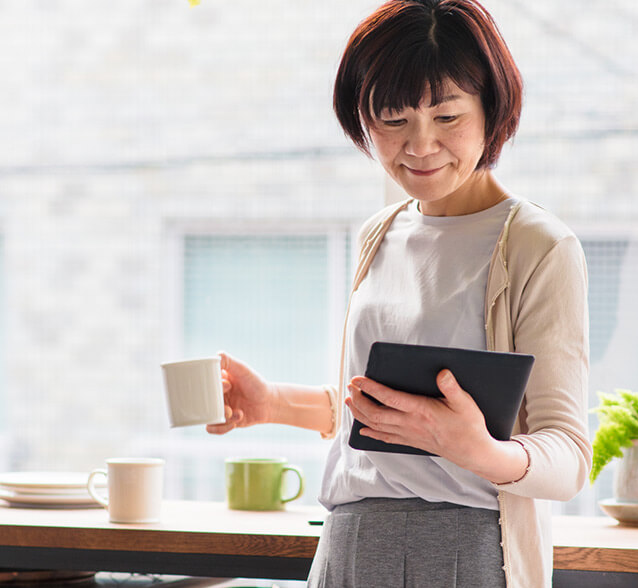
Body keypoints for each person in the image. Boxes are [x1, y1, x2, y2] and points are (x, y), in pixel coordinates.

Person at [206, 1, 591, 586]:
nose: (420, 145)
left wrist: (477, 449)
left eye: (446, 117)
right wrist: (274, 405)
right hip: (346, 545)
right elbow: (390, 413)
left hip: (461, 550)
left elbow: (568, 458)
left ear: (493, 109)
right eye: (393, 119)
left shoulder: (539, 246)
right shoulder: (378, 232)